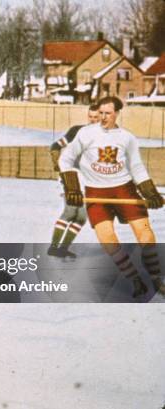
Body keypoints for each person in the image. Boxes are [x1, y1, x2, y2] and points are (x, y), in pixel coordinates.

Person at [59, 96, 165, 297]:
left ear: (117, 113)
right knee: (107, 239)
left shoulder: (127, 137)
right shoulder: (86, 133)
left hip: (124, 189)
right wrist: (72, 188)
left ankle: (156, 280)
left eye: (108, 113)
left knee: (146, 235)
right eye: (100, 113)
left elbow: (136, 167)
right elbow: (66, 159)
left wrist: (150, 192)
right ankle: (134, 279)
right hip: (95, 192)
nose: (103, 117)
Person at [47, 105, 100, 258]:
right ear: (88, 116)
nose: (94, 120)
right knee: (70, 211)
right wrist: (57, 162)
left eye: (97, 117)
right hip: (71, 175)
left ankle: (62, 248)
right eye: (91, 117)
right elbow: (55, 146)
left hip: (87, 179)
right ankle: (54, 247)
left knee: (81, 217)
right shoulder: (76, 131)